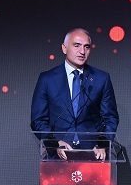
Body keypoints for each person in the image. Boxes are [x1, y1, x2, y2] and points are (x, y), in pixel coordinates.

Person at [31, 28, 119, 161]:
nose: (82, 51)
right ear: (64, 48)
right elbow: (38, 120)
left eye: (86, 47)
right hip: (58, 155)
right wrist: (55, 143)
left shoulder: (101, 79)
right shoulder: (47, 79)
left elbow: (110, 117)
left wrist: (103, 143)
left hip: (93, 154)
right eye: (77, 45)